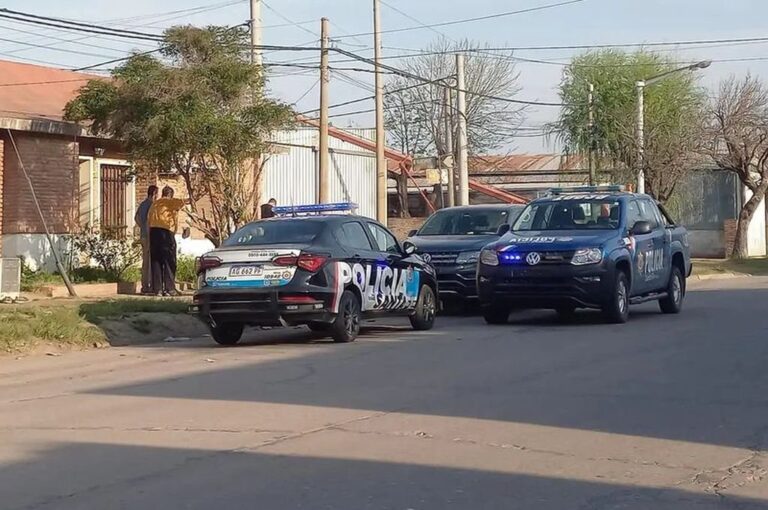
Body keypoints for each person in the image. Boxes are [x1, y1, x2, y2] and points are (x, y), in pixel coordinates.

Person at [147, 186, 187, 296]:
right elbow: (187, 201)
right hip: (166, 233)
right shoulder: (171, 202)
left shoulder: (154, 204)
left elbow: (148, 221)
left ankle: (158, 289)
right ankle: (170, 288)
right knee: (169, 261)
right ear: (171, 195)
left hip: (153, 233)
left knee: (156, 261)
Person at [134, 185, 158, 294]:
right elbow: (150, 221)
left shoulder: (143, 204)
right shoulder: (151, 205)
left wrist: (142, 227)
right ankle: (148, 285)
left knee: (145, 262)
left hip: (143, 235)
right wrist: (147, 230)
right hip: (149, 236)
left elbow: (136, 218)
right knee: (150, 261)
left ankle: (144, 285)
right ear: (154, 193)